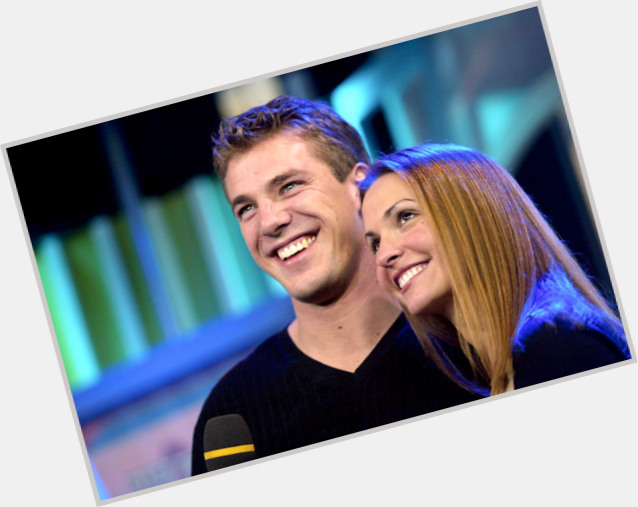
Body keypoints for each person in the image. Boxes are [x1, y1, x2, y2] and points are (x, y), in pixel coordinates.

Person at [191, 97, 480, 475]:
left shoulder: (476, 336)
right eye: (247, 208)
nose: (269, 222)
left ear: (359, 186)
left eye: (290, 186)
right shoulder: (233, 412)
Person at [360, 143, 630, 396]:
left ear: (475, 216)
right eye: (375, 244)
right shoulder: (519, 359)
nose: (384, 255)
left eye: (405, 216)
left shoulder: (556, 348)